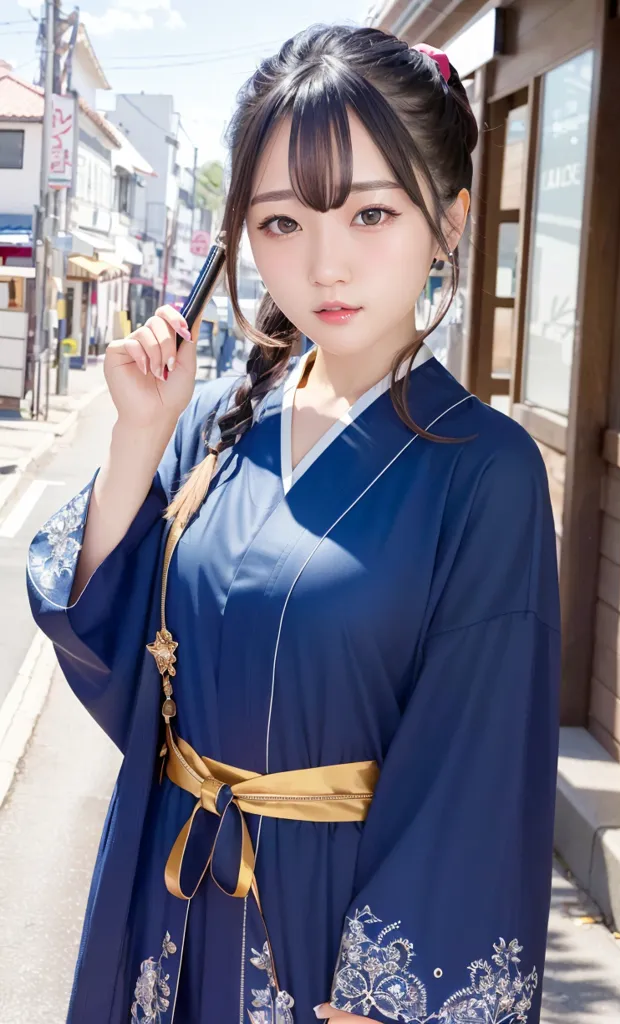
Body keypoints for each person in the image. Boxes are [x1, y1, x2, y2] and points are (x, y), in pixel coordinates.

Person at [26, 24, 560, 1024]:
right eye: (281, 223)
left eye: (369, 213)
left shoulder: (485, 473)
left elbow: (476, 778)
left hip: (327, 946)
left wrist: (375, 1005)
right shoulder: (213, 420)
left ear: (447, 222)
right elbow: (117, 660)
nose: (325, 265)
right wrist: (139, 440)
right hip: (169, 911)